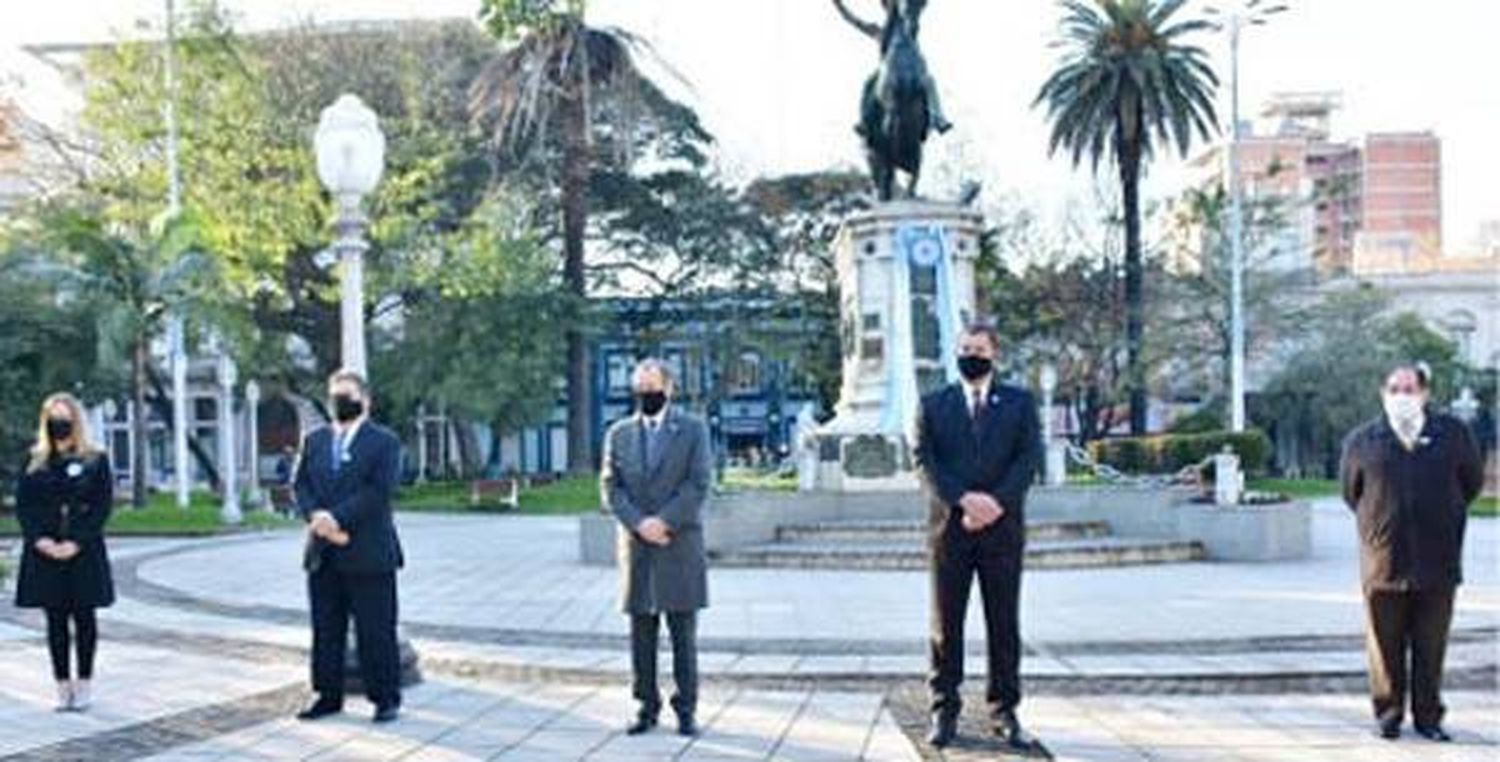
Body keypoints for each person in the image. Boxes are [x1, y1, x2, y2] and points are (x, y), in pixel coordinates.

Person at [912, 322, 1041, 749]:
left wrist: (994, 504)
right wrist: (964, 501)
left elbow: (1028, 459)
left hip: (1002, 532)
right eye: (965, 348)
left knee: (1003, 624)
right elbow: (925, 461)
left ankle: (1004, 710)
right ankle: (944, 710)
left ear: (994, 354)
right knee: (945, 626)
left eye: (980, 349)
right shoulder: (934, 405)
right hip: (951, 531)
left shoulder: (1020, 404)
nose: (972, 355)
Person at [1340, 363, 1483, 742]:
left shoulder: (1452, 434)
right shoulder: (1363, 440)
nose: (1401, 395)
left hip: (1437, 559)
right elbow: (1351, 493)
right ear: (1383, 392)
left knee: (1430, 645)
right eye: (1394, 388)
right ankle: (1388, 713)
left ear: (1424, 394)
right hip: (1384, 561)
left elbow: (1471, 483)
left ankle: (1428, 717)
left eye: (1409, 388)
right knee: (1384, 645)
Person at [601, 359, 712, 737]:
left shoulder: (693, 430)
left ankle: (686, 709)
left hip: (678, 545)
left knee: (683, 635)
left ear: (669, 388)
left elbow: (698, 484)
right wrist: (640, 524)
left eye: (652, 387)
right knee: (641, 636)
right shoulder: (618, 433)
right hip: (638, 548)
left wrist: (663, 521)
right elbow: (610, 487)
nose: (646, 394)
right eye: (640, 388)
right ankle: (645, 706)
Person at [292, 369, 404, 724]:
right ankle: (327, 695)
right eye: (334, 396)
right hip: (323, 553)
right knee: (326, 629)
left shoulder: (384, 442)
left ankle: (384, 697)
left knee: (376, 629)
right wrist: (316, 517)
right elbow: (301, 485)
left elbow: (379, 491)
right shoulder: (315, 441)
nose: (339, 403)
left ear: (364, 400)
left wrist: (336, 519)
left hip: (368, 553)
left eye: (347, 396)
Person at [13, 392, 115, 712]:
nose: (60, 424)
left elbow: (102, 505)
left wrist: (77, 541)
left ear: (76, 421)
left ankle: (84, 683)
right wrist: (39, 539)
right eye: (53, 417)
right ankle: (62, 686)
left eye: (65, 417)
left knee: (84, 618)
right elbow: (24, 505)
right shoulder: (34, 460)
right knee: (55, 620)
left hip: (82, 551)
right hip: (44, 552)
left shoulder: (95, 459)